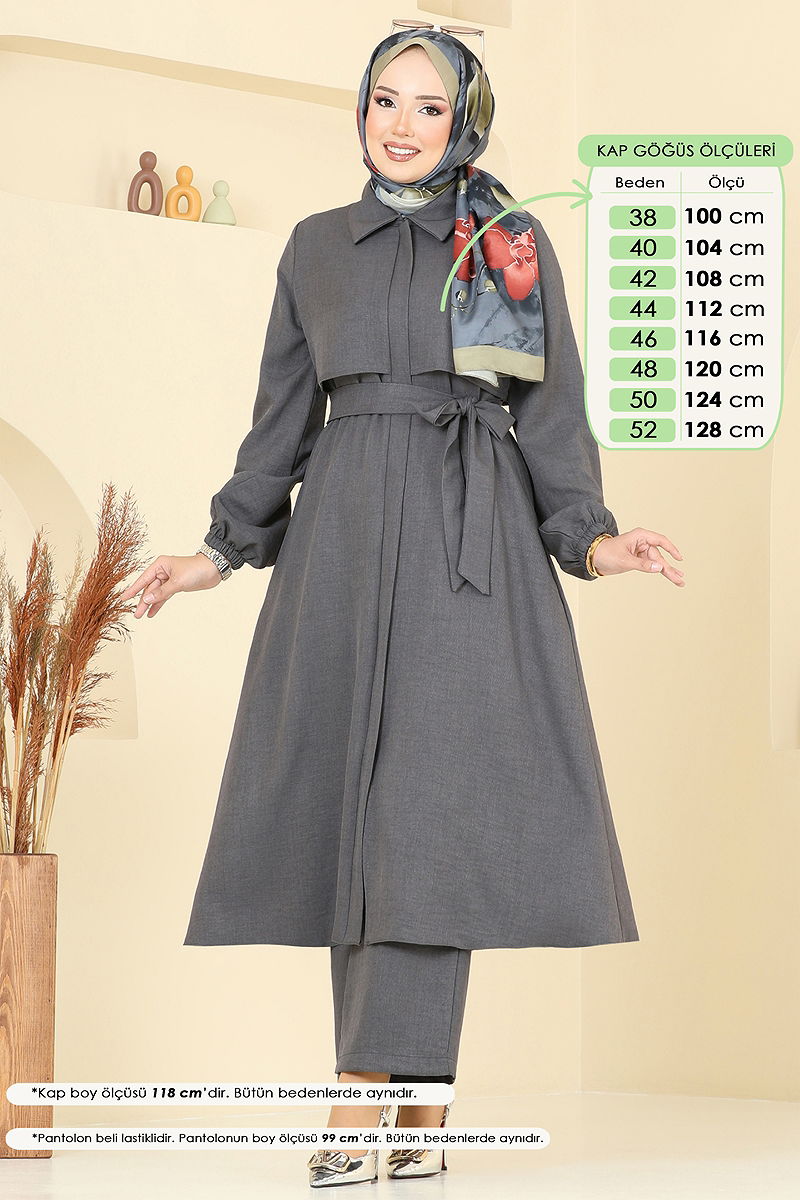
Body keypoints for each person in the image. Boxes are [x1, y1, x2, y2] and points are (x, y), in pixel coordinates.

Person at [121, 24, 684, 1188]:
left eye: (430, 107)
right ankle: (417, 1106)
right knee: (357, 823)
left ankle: (360, 1102)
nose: (402, 123)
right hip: (337, 544)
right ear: (361, 109)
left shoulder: (504, 239)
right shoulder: (314, 248)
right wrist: (215, 552)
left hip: (467, 543)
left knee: (426, 821)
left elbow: (545, 410)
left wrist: (592, 538)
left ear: (464, 123)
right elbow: (279, 423)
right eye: (386, 99)